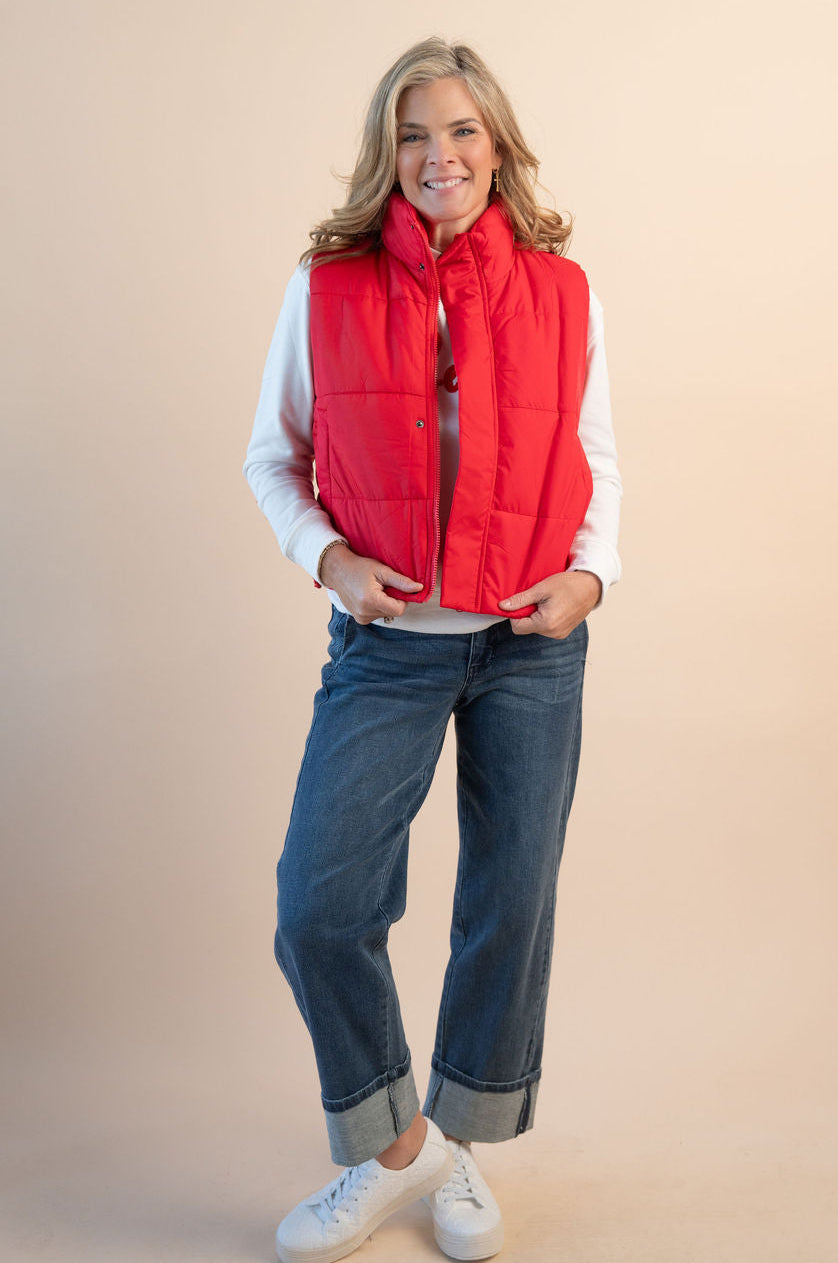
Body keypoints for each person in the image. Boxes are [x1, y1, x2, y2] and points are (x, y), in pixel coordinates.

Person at [243, 36, 622, 1263]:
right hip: (390, 642)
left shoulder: (563, 291)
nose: (437, 154)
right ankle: (397, 1147)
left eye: (460, 129)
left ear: (496, 143)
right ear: (386, 153)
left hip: (530, 646)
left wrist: (590, 577)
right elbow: (272, 457)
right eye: (412, 134)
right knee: (320, 904)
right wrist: (329, 560)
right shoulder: (328, 287)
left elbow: (596, 457)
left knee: (509, 901)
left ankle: (462, 1146)